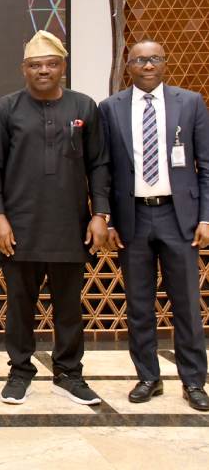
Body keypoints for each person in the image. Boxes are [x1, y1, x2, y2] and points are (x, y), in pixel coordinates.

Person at [0, 30, 111, 406]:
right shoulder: (6, 108)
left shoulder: (84, 107)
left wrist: (99, 213)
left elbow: (99, 164)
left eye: (51, 64)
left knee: (69, 305)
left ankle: (69, 374)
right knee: (20, 303)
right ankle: (20, 371)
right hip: (19, 226)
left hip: (71, 225)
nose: (43, 71)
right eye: (35, 65)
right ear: (24, 69)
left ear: (62, 67)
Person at [98, 40, 209, 412]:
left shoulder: (190, 102)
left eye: (155, 59)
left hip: (180, 218)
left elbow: (206, 166)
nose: (148, 65)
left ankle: (194, 382)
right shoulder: (110, 108)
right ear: (128, 66)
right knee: (140, 306)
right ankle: (148, 377)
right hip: (133, 218)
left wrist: (206, 217)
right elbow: (106, 171)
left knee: (187, 305)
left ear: (164, 63)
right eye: (140, 60)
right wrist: (110, 218)